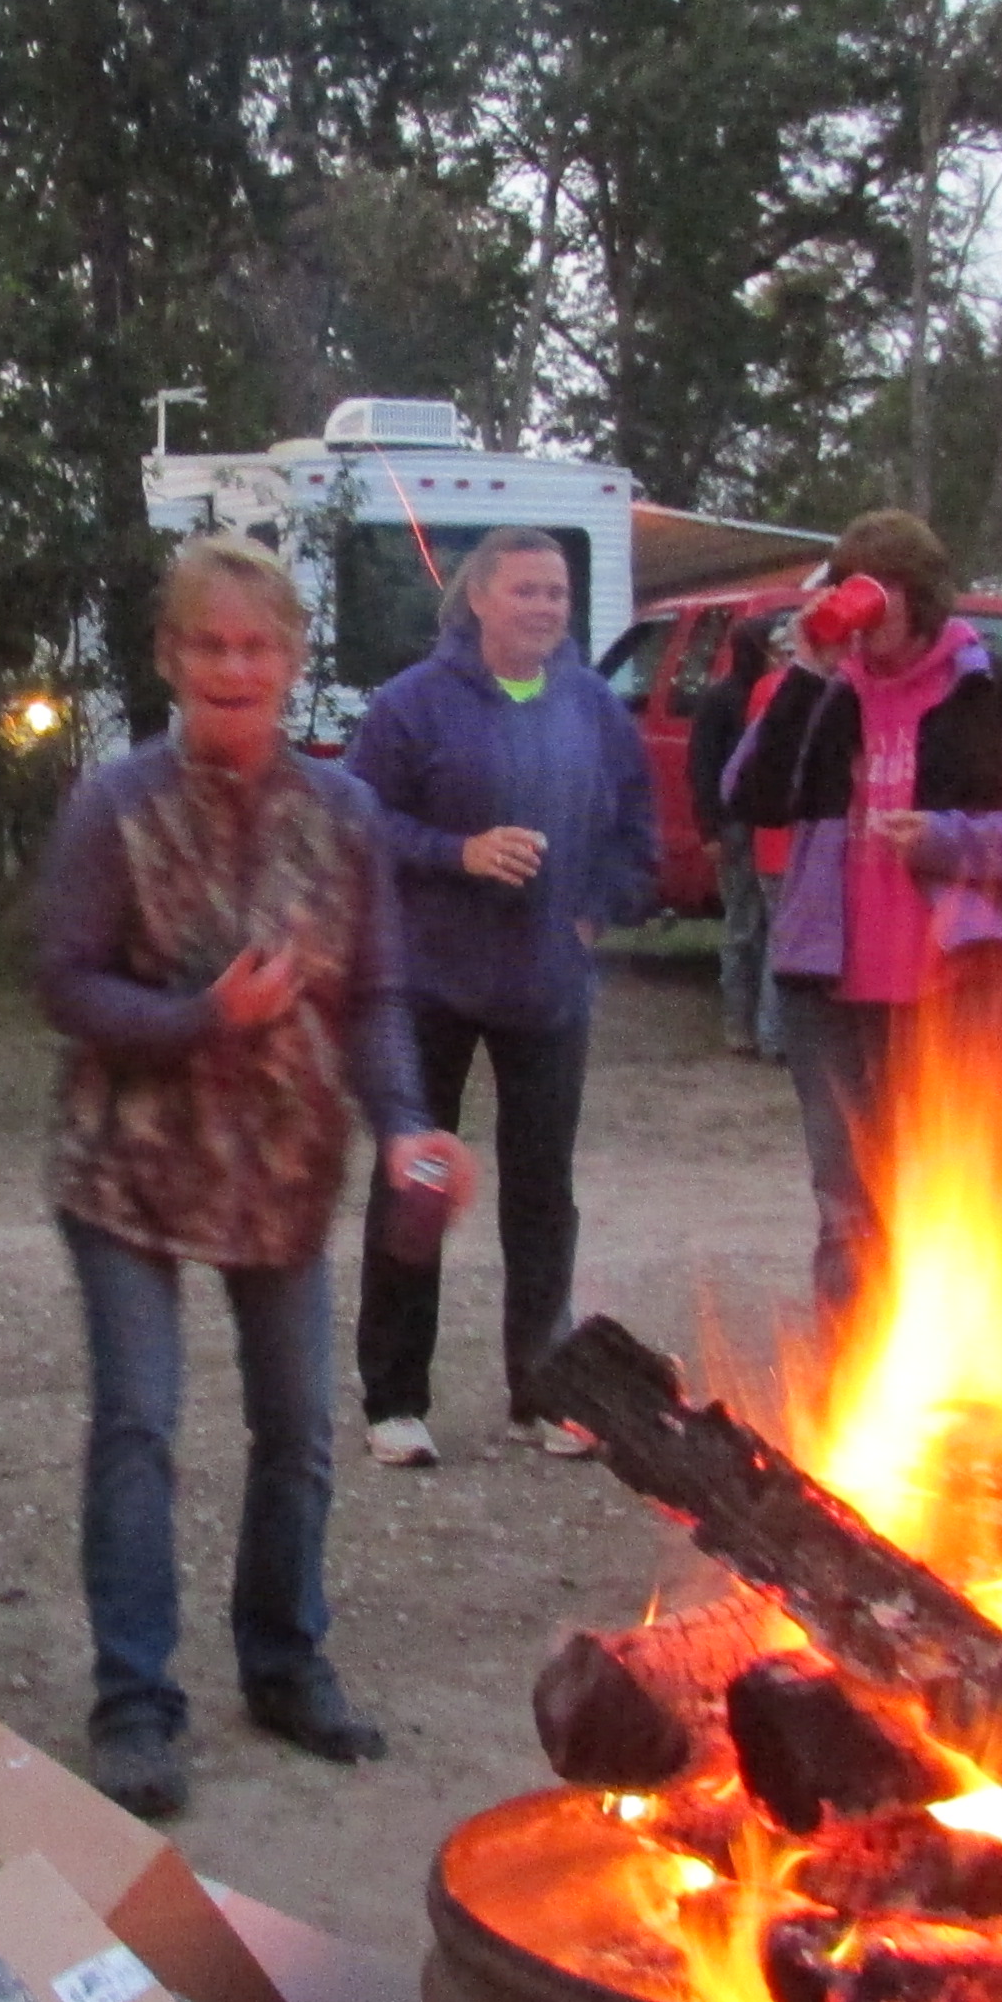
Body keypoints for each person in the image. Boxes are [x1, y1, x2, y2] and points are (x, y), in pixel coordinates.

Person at [32, 536, 465, 1821]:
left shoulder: (344, 815)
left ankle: (284, 1661)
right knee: (141, 1423)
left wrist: (403, 1124)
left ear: (290, 663)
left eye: (257, 645)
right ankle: (135, 1704)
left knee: (299, 1429)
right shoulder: (114, 805)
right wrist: (198, 1017)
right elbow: (63, 982)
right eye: (209, 644)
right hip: (128, 1164)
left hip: (281, 1168)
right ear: (171, 658)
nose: (234, 667)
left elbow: (378, 991)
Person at [720, 512, 1002, 1328]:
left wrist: (950, 841)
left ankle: (984, 1383)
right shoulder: (825, 690)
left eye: (878, 601)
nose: (864, 622)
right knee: (849, 1203)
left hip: (958, 984)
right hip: (832, 989)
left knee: (967, 1192)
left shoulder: (989, 691)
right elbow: (747, 796)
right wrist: (808, 673)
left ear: (919, 600)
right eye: (852, 598)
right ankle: (856, 1393)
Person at [343, 529, 657, 1466]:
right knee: (418, 1185)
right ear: (479, 599)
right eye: (526, 591)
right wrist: (459, 851)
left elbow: (638, 826)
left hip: (547, 986)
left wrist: (598, 912)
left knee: (541, 1195)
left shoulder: (594, 708)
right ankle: (396, 1401)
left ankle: (545, 1393)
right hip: (431, 980)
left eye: (558, 594)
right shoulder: (412, 706)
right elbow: (358, 823)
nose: (546, 608)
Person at [686, 610, 787, 1068]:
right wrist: (709, 828)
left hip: (767, 824)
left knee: (770, 927)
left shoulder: (781, 693)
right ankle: (737, 1022)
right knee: (742, 927)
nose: (780, 654)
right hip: (732, 826)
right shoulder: (722, 698)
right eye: (773, 644)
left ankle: (765, 1026)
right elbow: (703, 768)